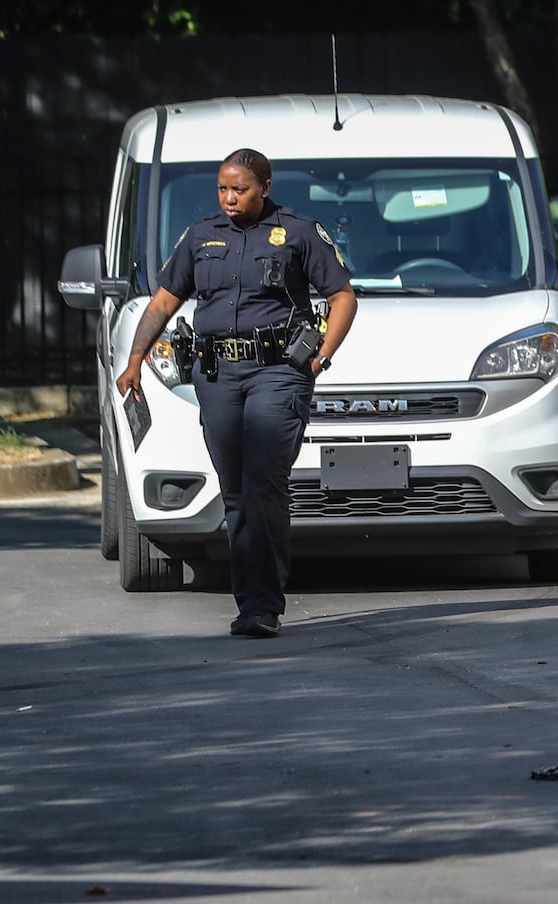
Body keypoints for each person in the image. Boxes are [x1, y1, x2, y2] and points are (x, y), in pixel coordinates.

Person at [114, 148, 356, 638]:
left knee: (264, 479)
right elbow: (164, 299)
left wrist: (321, 353)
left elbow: (342, 296)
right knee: (237, 489)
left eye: (239, 189)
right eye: (223, 189)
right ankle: (250, 602)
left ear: (264, 187)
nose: (229, 198)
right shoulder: (201, 236)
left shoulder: (299, 232)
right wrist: (135, 359)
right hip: (218, 373)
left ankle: (263, 605)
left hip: (278, 372)